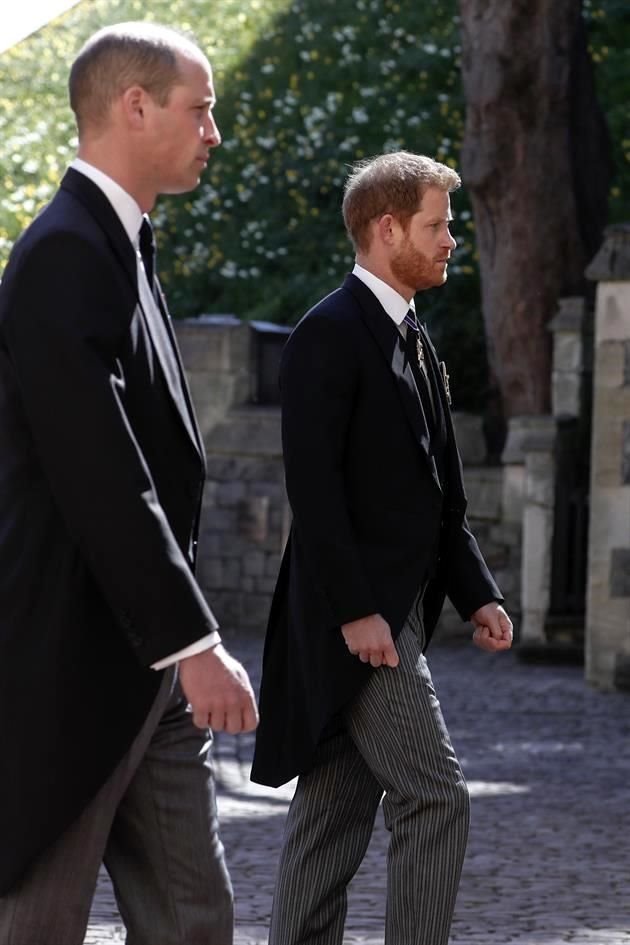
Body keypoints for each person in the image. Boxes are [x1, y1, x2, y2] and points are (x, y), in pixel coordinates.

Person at [0, 21, 258, 945]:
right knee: (36, 918)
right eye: (203, 110)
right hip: (71, 661)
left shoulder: (124, 243)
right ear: (134, 104)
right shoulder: (66, 251)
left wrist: (179, 649)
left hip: (144, 668)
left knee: (195, 916)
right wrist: (192, 641)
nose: (214, 134)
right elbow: (99, 467)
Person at [251, 151, 513, 945]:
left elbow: (442, 498)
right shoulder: (327, 335)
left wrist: (478, 592)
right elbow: (316, 491)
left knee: (332, 813)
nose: (450, 242)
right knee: (437, 796)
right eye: (436, 225)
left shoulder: (416, 340)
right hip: (357, 619)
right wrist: (360, 610)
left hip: (393, 611)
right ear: (386, 227)